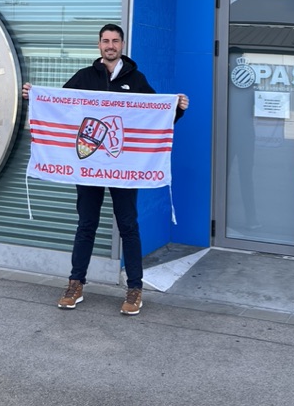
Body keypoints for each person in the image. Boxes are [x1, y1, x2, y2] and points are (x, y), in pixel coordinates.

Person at [23, 23, 189, 316]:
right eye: (105, 41)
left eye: (115, 41)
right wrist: (35, 97)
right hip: (88, 168)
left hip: (123, 168)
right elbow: (60, 109)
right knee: (86, 224)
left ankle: (135, 289)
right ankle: (75, 284)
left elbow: (154, 118)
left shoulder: (136, 79)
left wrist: (176, 108)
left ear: (122, 45)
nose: (110, 45)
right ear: (99, 45)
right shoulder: (84, 77)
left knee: (128, 226)